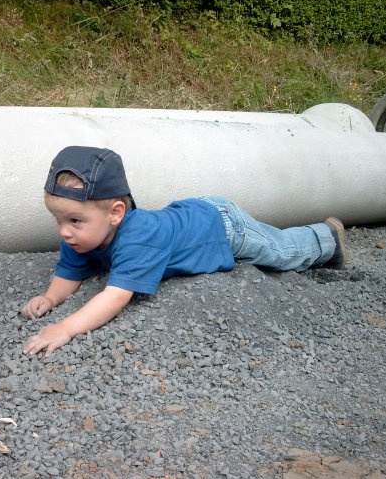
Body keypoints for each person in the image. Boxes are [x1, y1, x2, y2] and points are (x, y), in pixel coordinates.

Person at [22, 146, 348, 356]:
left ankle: (326, 239)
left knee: (278, 253)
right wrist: (51, 298)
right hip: (193, 217)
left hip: (220, 227)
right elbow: (70, 270)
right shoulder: (80, 237)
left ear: (116, 214)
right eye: (58, 219)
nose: (64, 231)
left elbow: (115, 297)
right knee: (271, 251)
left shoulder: (137, 239)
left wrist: (65, 328)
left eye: (75, 220)